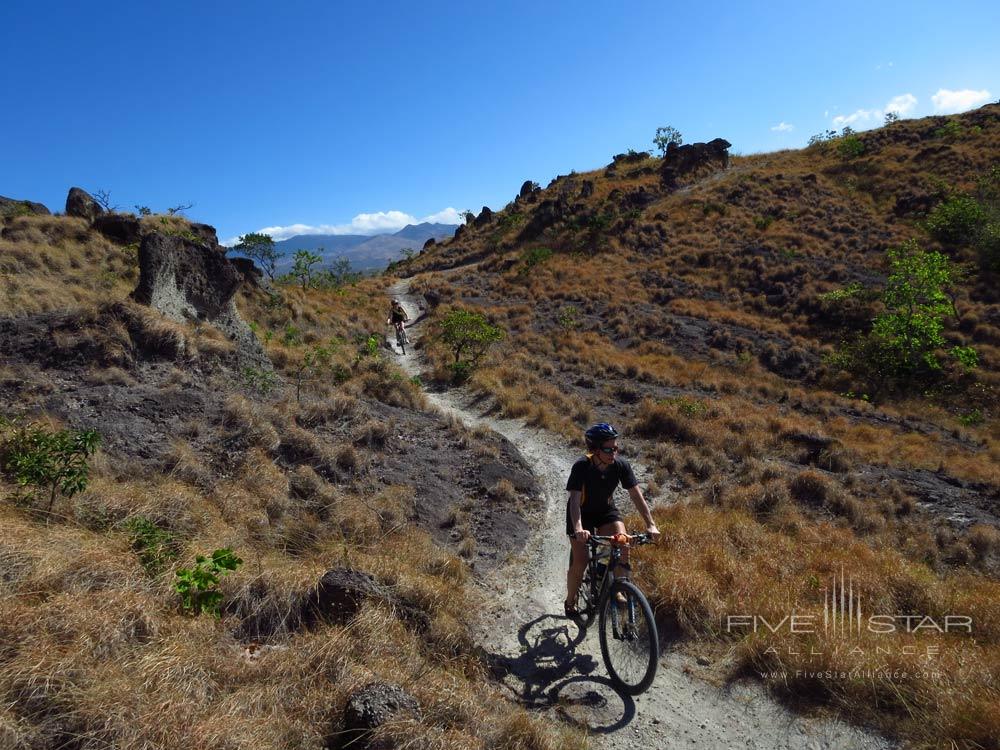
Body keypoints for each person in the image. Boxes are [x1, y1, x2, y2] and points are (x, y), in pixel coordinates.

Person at [565, 422, 660, 616]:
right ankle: (570, 601)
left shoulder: (620, 465)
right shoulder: (582, 466)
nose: (613, 453)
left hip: (606, 511)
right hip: (582, 515)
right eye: (608, 449)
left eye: (615, 448)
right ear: (595, 450)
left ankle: (618, 589)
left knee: (623, 543)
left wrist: (651, 525)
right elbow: (574, 501)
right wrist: (579, 528)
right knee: (581, 561)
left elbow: (636, 495)